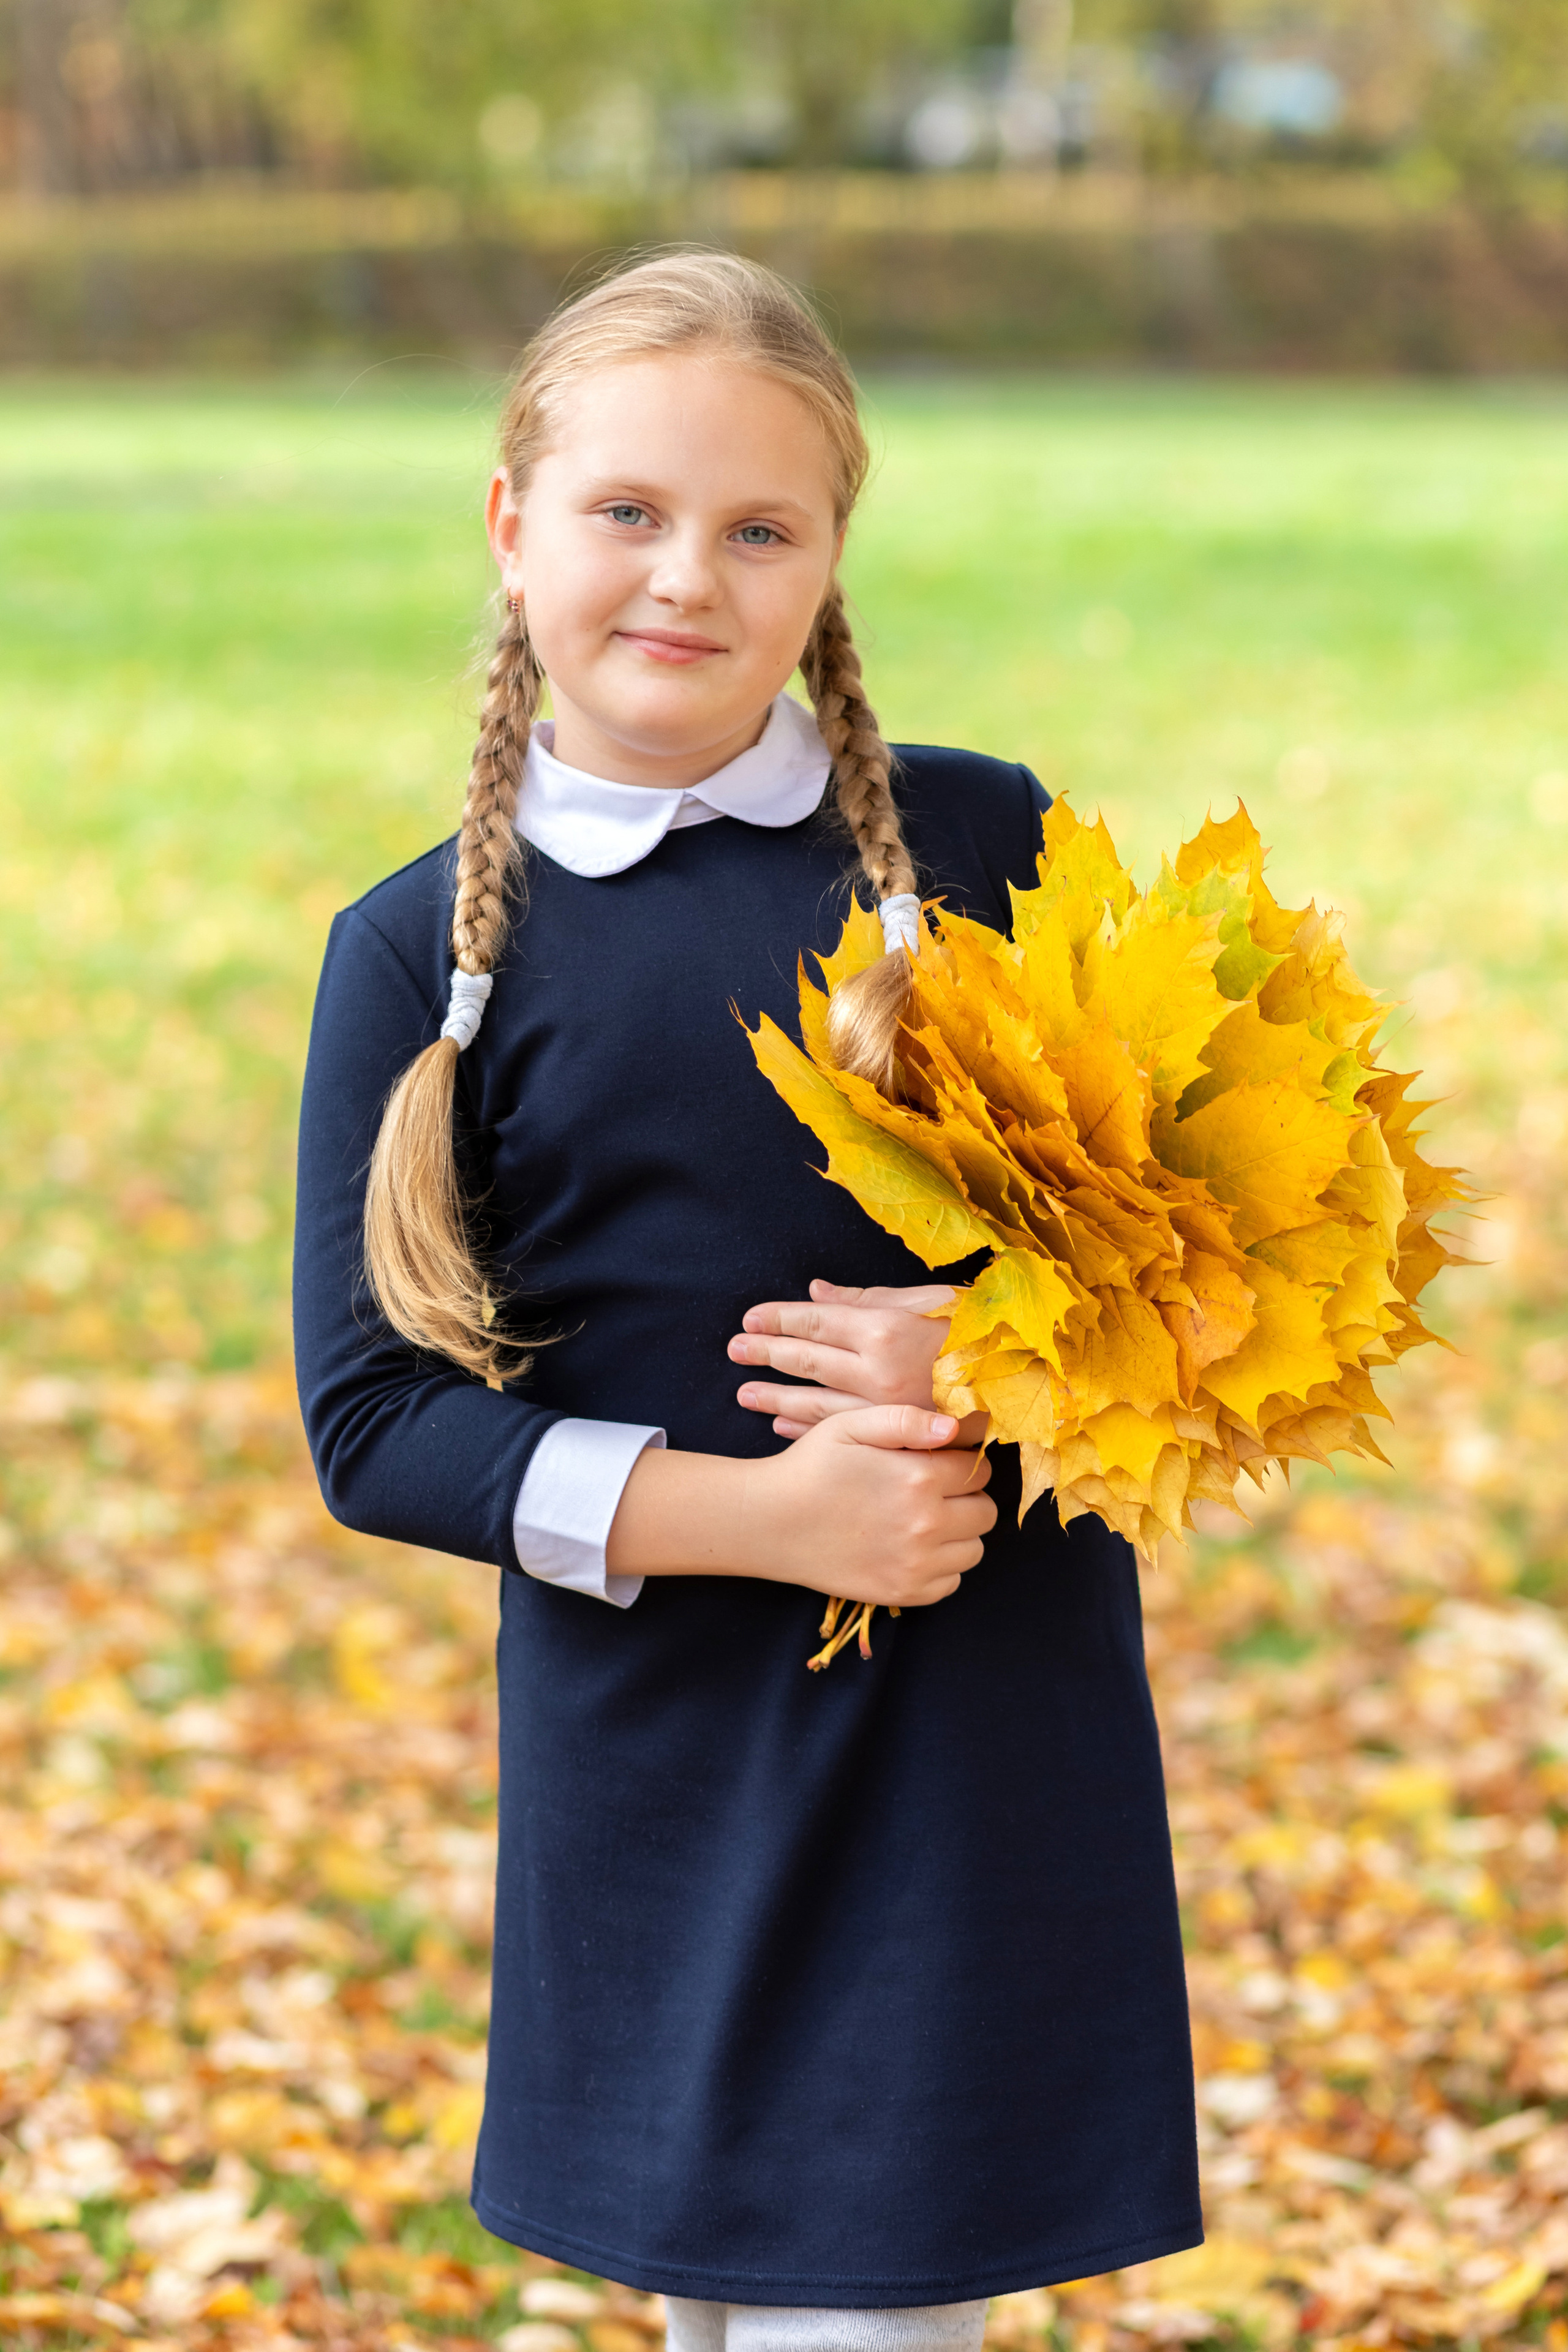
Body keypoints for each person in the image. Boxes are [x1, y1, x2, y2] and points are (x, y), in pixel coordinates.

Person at [293, 252, 1200, 2352]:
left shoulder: (985, 856)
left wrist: (994, 1351)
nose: (686, 576)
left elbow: (1228, 1263)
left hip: (960, 1764)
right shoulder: (420, 956)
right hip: (658, 1773)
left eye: (757, 528)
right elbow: (374, 1424)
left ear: (828, 564)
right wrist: (763, 1517)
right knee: (721, 2315)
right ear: (512, 522)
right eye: (628, 511)